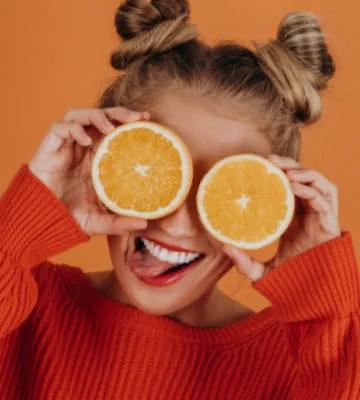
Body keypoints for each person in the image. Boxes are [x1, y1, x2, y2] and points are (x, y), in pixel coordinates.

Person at [0, 1, 359, 399]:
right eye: (154, 171)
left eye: (219, 189)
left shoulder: (299, 368)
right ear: (102, 158)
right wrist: (16, 236)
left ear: (273, 202)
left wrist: (326, 313)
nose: (177, 224)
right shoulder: (23, 312)